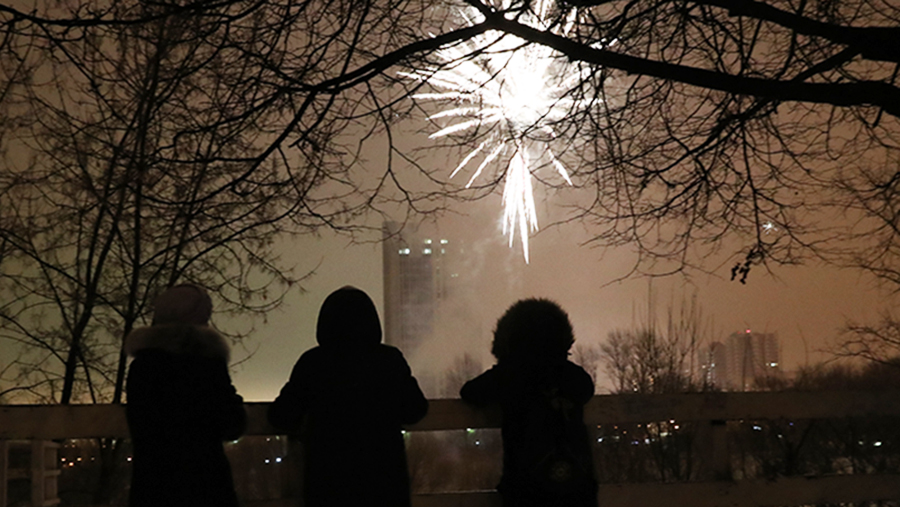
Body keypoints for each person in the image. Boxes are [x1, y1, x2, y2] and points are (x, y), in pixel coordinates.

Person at [268, 286, 428, 507]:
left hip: (329, 481)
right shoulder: (390, 360)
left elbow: (282, 416)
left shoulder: (313, 363)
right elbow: (415, 409)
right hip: (384, 480)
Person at [461, 298, 597, 507]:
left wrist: (506, 365)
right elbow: (586, 389)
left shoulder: (509, 375)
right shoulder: (571, 375)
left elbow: (471, 393)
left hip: (526, 487)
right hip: (574, 483)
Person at [125, 284, 246, 507]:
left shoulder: (142, 367)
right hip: (206, 487)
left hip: (152, 488)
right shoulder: (208, 365)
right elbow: (232, 424)